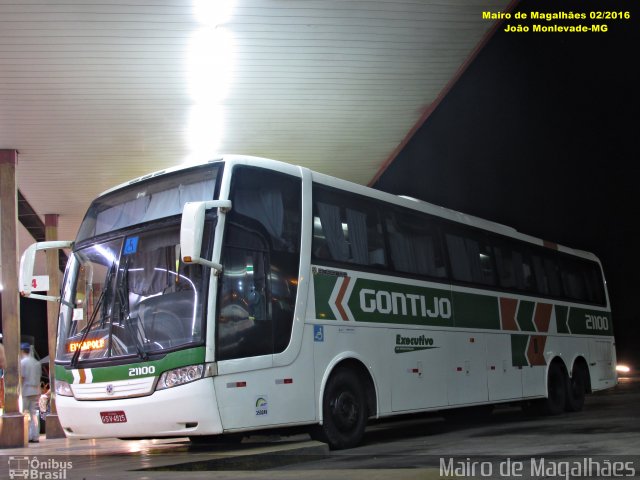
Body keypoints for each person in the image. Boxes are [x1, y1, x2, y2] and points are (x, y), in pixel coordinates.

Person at [20, 342, 41, 443]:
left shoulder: (22, 362)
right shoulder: (37, 363)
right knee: (34, 415)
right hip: (35, 390)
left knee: (23, 413)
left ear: (22, 351)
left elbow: (22, 378)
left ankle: (26, 436)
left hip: (25, 390)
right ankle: (35, 436)